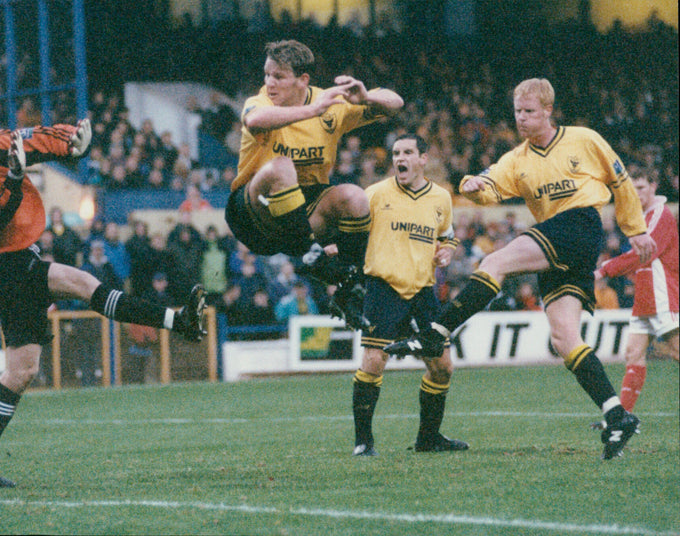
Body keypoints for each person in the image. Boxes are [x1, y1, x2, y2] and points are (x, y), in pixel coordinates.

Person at [0, 105, 207, 488]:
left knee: (21, 372)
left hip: (13, 259)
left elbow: (29, 140)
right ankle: (180, 322)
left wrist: (70, 141)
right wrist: (14, 175)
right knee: (80, 283)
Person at [384, 78, 657, 460]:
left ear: (548, 110)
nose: (522, 119)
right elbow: (491, 187)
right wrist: (472, 183)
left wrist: (636, 230)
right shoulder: (517, 159)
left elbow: (621, 182)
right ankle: (617, 414)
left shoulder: (584, 139)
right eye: (517, 112)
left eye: (529, 112)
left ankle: (437, 331)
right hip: (561, 242)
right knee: (565, 339)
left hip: (580, 223)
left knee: (495, 261)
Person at [224, 39, 403, 330]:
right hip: (252, 213)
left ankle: (349, 287)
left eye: (278, 77)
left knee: (355, 197)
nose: (270, 83)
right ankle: (312, 254)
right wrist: (313, 111)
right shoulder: (261, 102)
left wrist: (366, 96)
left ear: (303, 80)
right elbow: (255, 120)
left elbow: (396, 104)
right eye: (267, 74)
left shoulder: (331, 105)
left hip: (303, 213)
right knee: (282, 165)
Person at [352, 134, 467, 457]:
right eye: (395, 153)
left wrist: (446, 251)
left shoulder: (441, 198)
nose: (399, 158)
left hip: (422, 290)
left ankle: (428, 439)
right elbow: (351, 233)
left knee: (442, 366)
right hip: (383, 287)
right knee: (374, 360)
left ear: (422, 159)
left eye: (407, 152)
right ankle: (363, 442)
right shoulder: (374, 195)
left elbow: (448, 236)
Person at [594, 167, 678, 415]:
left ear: (654, 186)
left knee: (676, 350)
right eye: (632, 188)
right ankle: (622, 419)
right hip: (645, 296)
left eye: (641, 187)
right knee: (633, 354)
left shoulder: (660, 214)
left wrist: (604, 270)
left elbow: (644, 253)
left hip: (662, 293)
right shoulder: (641, 217)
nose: (636, 193)